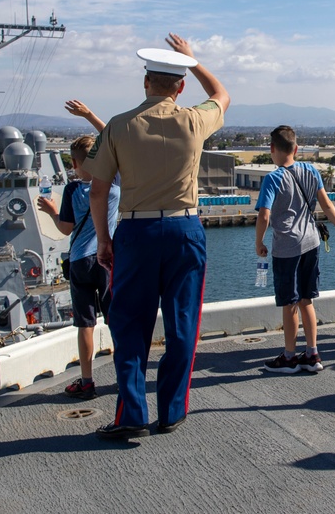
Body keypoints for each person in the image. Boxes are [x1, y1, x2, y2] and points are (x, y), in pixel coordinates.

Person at [83, 33, 230, 440]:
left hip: (135, 229)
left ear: (145, 82)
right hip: (185, 229)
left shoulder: (118, 126)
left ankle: (131, 414)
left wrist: (103, 239)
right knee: (183, 322)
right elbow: (221, 93)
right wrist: (193, 60)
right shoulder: (194, 120)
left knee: (129, 324)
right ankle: (172, 410)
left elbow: (98, 189)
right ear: (180, 86)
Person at [37, 101, 118, 400]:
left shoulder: (72, 190)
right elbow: (111, 135)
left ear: (73, 163)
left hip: (80, 263)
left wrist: (51, 210)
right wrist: (88, 115)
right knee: (116, 320)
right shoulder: (114, 184)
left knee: (85, 324)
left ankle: (86, 381)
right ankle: (125, 375)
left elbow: (66, 229)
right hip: (108, 261)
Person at [257, 126, 335, 374]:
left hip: (287, 247)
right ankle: (312, 354)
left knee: (289, 302)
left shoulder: (273, 178)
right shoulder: (311, 170)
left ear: (272, 149)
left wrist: (259, 242)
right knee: (306, 299)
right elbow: (328, 205)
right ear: (296, 148)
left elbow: (264, 215)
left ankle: (289, 357)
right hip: (311, 242)